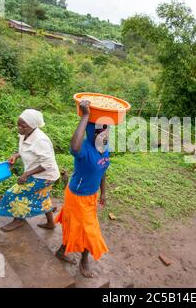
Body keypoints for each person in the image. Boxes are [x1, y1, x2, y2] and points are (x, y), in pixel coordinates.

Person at [54, 100, 110, 278]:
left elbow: (103, 169)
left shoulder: (104, 147)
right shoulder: (84, 148)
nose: (104, 134)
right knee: (89, 231)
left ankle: (62, 251)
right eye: (100, 131)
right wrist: (86, 115)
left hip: (91, 196)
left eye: (106, 130)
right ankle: (84, 260)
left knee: (75, 226)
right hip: (77, 196)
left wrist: (103, 191)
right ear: (90, 132)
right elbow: (74, 146)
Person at [0, 109, 60, 232]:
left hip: (45, 175)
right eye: (18, 124)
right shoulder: (25, 133)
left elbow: (48, 163)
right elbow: (25, 149)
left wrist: (26, 174)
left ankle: (19, 220)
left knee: (13, 194)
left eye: (23, 126)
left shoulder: (41, 140)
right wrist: (15, 155)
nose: (19, 127)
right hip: (42, 174)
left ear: (33, 125)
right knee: (43, 197)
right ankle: (51, 223)